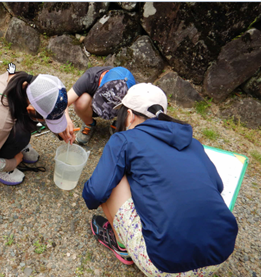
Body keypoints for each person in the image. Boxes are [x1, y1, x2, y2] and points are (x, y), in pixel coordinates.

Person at [82, 83, 238, 276]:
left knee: (113, 178)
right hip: (221, 254)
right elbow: (218, 185)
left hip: (166, 267)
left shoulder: (124, 140)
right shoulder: (193, 144)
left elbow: (96, 191)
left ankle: (121, 245)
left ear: (129, 115)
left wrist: (88, 196)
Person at [0, 64, 68, 186]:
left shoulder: (25, 83)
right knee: (21, 135)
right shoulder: (2, 121)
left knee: (28, 124)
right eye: (46, 120)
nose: (46, 123)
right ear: (30, 108)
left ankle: (13, 147)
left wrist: (60, 127)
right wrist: (14, 162)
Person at [59, 66, 136, 144]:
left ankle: (119, 124)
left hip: (121, 110)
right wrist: (67, 121)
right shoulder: (90, 78)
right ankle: (89, 123)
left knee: (134, 110)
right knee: (81, 100)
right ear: (101, 82)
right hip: (91, 106)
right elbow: (63, 102)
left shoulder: (136, 90)